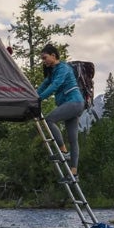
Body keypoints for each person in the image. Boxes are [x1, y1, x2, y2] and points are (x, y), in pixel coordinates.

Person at [36, 44, 84, 177]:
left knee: (49, 119)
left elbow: (55, 85)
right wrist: (33, 96)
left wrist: (39, 99)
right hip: (74, 104)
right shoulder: (53, 71)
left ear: (53, 55)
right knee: (73, 139)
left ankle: (63, 151)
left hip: (74, 102)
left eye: (44, 57)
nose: (43, 60)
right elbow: (44, 85)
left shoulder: (63, 68)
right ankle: (73, 173)